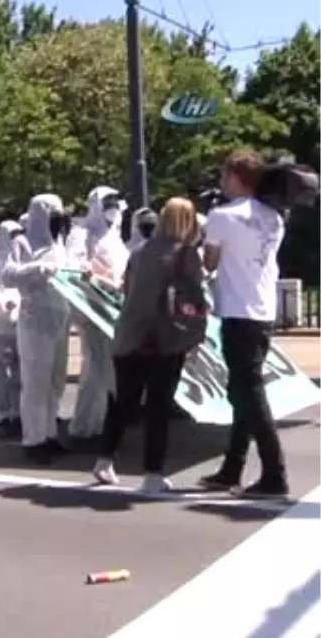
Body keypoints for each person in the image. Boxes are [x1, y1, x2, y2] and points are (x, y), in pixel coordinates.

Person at [93, 198, 204, 492]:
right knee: (158, 407)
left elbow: (127, 292)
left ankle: (104, 459)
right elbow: (196, 299)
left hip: (130, 336)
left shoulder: (138, 252)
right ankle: (153, 473)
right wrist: (194, 335)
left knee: (123, 401)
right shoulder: (187, 255)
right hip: (165, 340)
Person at [199, 150, 290, 498]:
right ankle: (232, 468)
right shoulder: (274, 217)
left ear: (235, 177)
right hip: (262, 311)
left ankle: (274, 473)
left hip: (238, 311)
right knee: (242, 393)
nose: (222, 181)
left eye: (224, 175)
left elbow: (210, 261)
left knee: (249, 395)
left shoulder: (222, 216)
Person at [1, 194, 72, 463]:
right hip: (35, 319)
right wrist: (36, 268)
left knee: (55, 380)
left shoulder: (60, 244)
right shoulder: (21, 242)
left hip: (61, 317)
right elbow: (7, 275)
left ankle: (50, 434)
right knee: (35, 382)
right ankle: (33, 440)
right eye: (54, 214)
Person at [68, 186, 130, 446]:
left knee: (107, 369)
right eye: (108, 203)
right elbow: (76, 267)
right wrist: (99, 278)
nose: (113, 208)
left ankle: (102, 423)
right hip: (94, 309)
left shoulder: (113, 236)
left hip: (116, 308)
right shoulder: (83, 234)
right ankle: (83, 428)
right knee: (95, 367)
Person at [0, 220, 24, 437]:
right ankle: (1, 413)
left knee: (19, 372)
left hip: (20, 321)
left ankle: (17, 412)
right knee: (0, 372)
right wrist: (3, 305)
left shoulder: (20, 255)